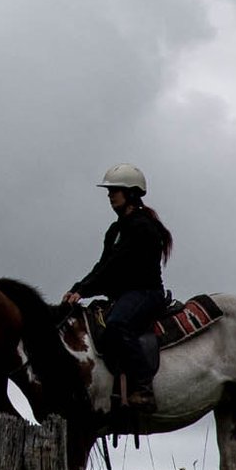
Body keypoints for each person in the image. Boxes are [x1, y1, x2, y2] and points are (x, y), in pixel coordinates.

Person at [62, 163, 173, 411]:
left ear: (132, 193)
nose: (110, 196)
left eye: (116, 190)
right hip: (124, 295)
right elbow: (103, 265)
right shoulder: (116, 230)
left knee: (117, 325)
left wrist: (84, 290)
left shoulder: (143, 227)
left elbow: (115, 266)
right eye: (110, 191)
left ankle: (143, 388)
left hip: (145, 293)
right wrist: (78, 288)